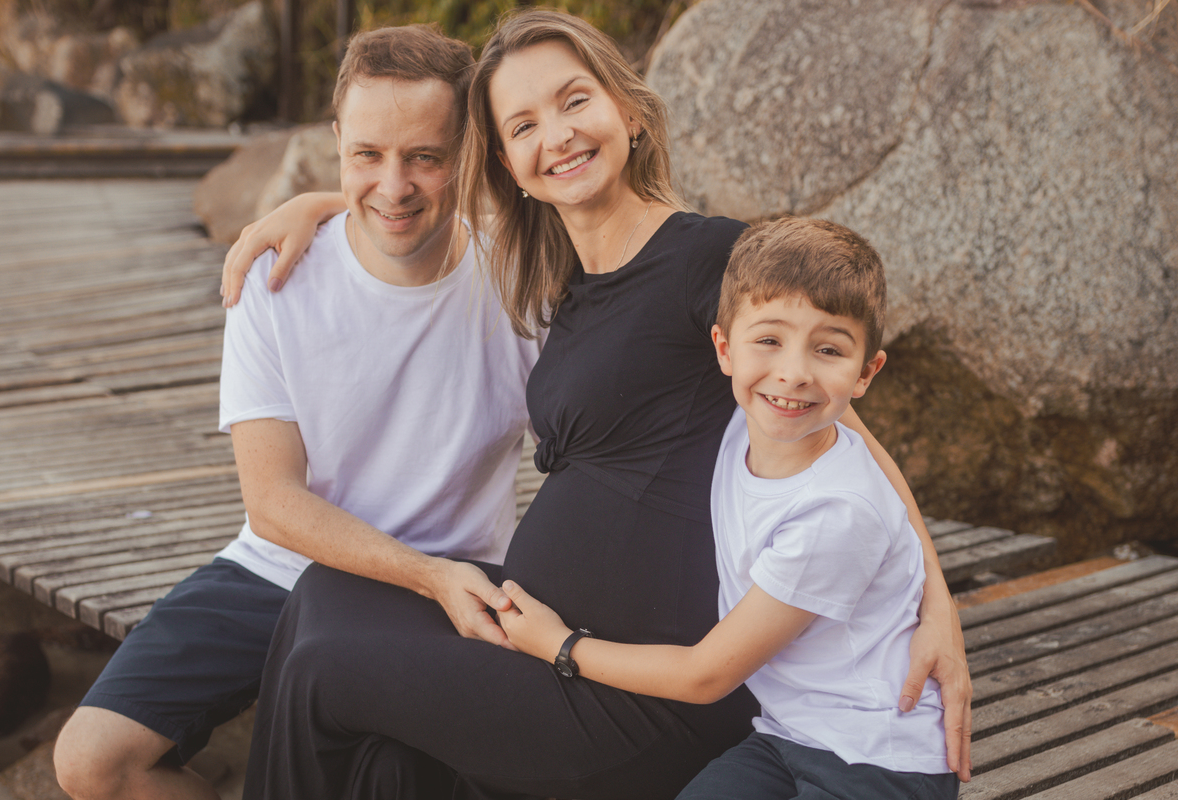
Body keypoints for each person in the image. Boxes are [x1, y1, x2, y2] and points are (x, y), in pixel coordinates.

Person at [232, 10, 972, 799]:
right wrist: (321, 203)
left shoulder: (706, 258)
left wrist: (940, 613)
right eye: (523, 124)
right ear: (509, 163)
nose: (556, 135)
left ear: (627, 110)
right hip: (554, 644)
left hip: (635, 693)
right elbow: (409, 200)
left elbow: (848, 436)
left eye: (573, 101)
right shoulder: (563, 283)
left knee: (323, 670)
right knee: (328, 601)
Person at [52, 25, 540, 800]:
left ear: (470, 150)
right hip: (286, 569)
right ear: (336, 139)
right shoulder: (277, 277)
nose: (393, 185)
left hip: (460, 577)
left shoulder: (519, 285)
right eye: (367, 155)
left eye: (425, 157)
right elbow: (274, 504)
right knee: (89, 762)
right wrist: (425, 576)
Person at [498, 216, 960, 800]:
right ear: (722, 348)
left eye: (828, 349)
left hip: (879, 762)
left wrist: (559, 645)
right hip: (785, 738)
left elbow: (706, 675)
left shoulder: (837, 514)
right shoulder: (744, 426)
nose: (792, 372)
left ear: (867, 372)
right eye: (768, 340)